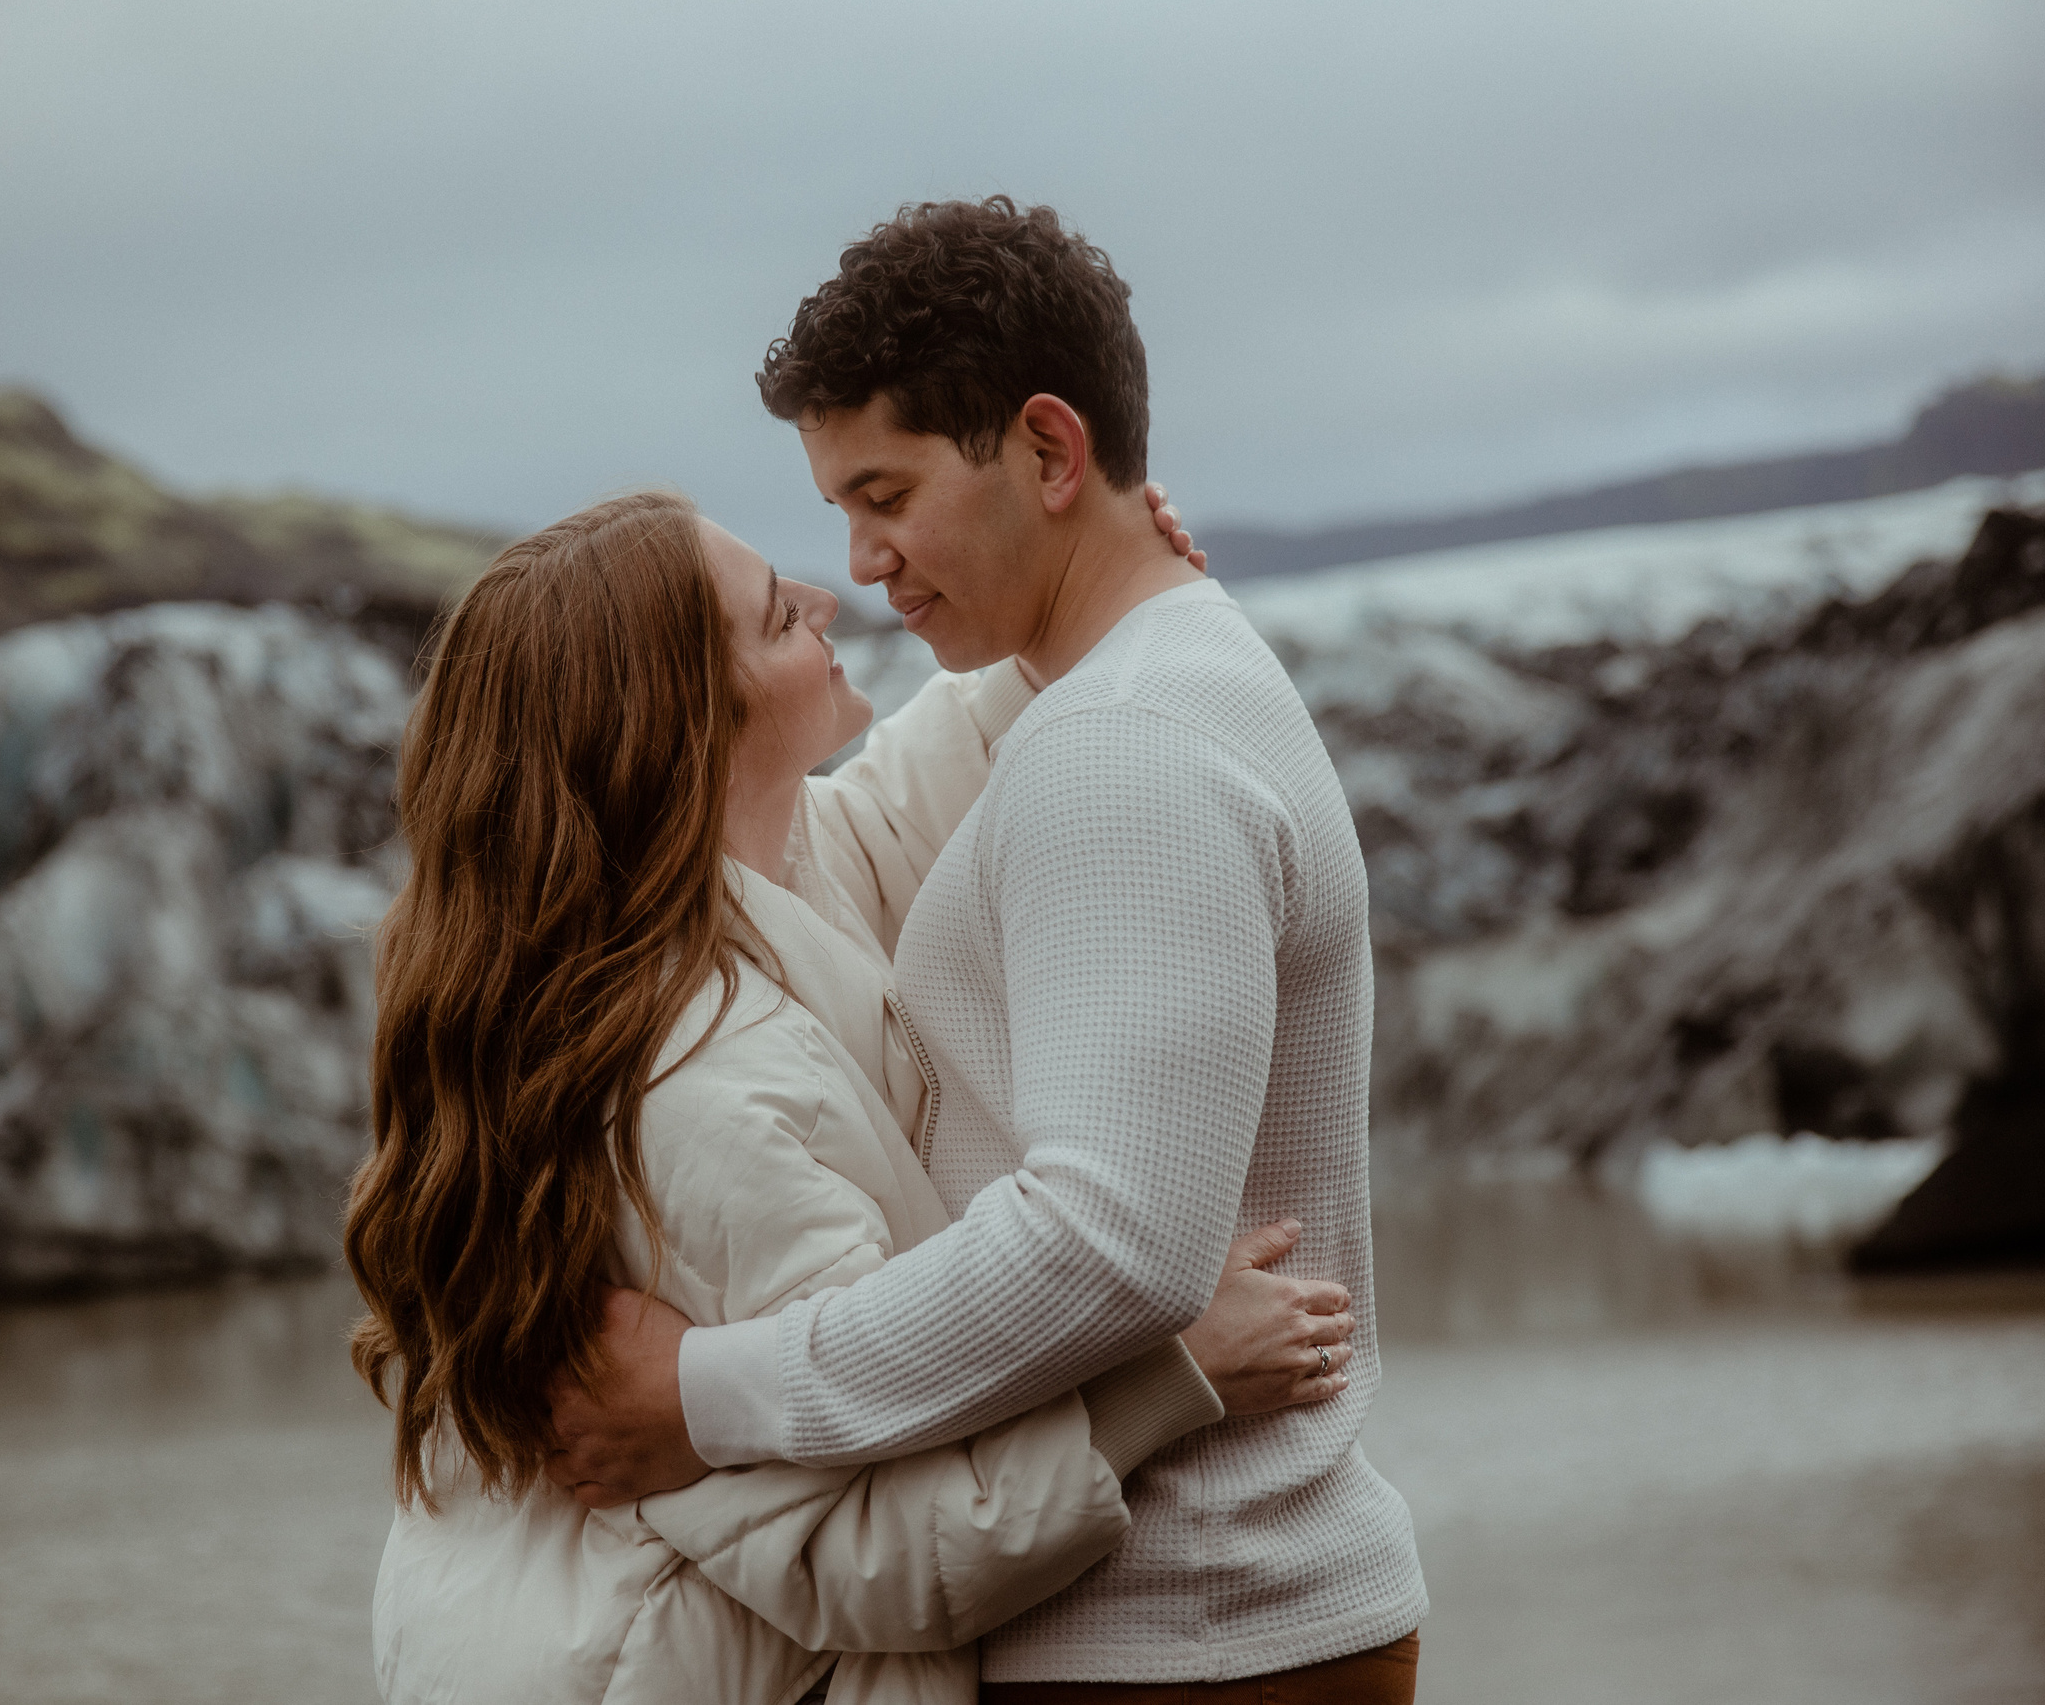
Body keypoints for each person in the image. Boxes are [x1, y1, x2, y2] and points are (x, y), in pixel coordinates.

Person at [547, 199, 1428, 1702]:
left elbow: (1108, 1240)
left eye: (883, 492)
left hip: (1181, 1631)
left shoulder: (1121, 748)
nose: (862, 559)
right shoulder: (1141, 695)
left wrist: (703, 1394)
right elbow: (869, 829)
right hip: (1204, 1621)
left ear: (1047, 449)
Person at [346, 487, 1359, 1705]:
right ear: (683, 731)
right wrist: (1166, 1383)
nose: (828, 598)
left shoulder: (719, 895)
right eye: (779, 618)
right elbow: (866, 1551)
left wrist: (1073, 587)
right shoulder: (706, 1096)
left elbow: (884, 817)